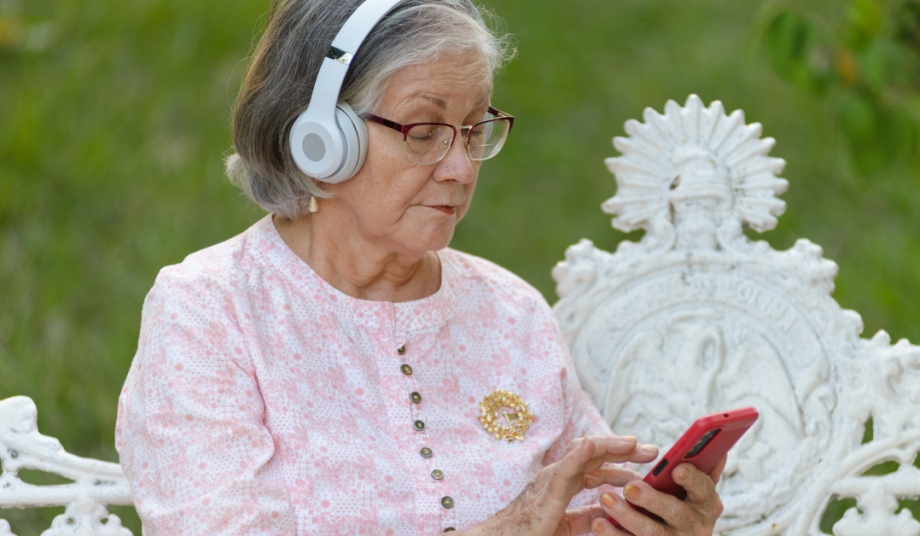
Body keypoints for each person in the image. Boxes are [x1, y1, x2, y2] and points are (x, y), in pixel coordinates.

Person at [114, 0, 726, 534]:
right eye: (425, 129)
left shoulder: (510, 312)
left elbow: (586, 514)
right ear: (321, 138)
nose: (460, 167)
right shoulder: (210, 312)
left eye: (474, 128)